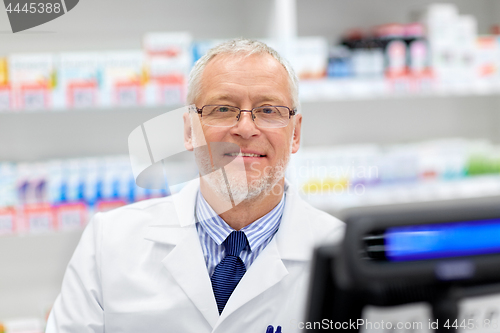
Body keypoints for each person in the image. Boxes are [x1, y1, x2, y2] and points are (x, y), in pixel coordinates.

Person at [46, 39, 344, 333]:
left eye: (268, 111)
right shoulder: (109, 241)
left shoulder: (347, 255)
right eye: (223, 109)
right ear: (190, 131)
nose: (245, 128)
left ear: (295, 134)